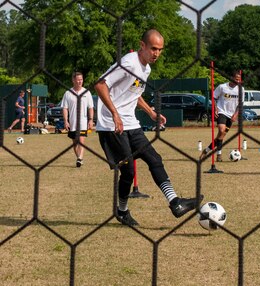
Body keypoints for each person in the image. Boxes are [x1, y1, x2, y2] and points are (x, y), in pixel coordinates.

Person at [94, 29, 202, 226]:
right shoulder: (128, 63)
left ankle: (175, 203)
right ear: (142, 45)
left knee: (154, 158)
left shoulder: (146, 69)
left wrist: (150, 112)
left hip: (131, 123)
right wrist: (115, 114)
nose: (156, 54)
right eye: (153, 48)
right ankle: (122, 211)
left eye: (160, 50)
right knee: (128, 173)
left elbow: (134, 94)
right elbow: (100, 85)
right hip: (112, 125)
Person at [199, 70, 242, 162]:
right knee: (221, 131)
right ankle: (219, 155)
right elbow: (214, 97)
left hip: (231, 116)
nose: (238, 81)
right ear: (231, 78)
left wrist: (235, 115)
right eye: (236, 79)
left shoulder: (240, 89)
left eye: (239, 80)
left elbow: (240, 104)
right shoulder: (222, 87)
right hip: (222, 112)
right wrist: (215, 109)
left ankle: (206, 150)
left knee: (221, 136)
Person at [61, 72, 94, 168]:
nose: (80, 81)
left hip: (83, 122)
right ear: (73, 80)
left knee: (81, 140)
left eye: (81, 79)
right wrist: (66, 121)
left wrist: (90, 120)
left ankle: (80, 158)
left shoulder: (87, 93)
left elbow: (91, 107)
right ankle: (79, 158)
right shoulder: (68, 93)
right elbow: (65, 108)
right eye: (78, 79)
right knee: (75, 143)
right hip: (72, 122)